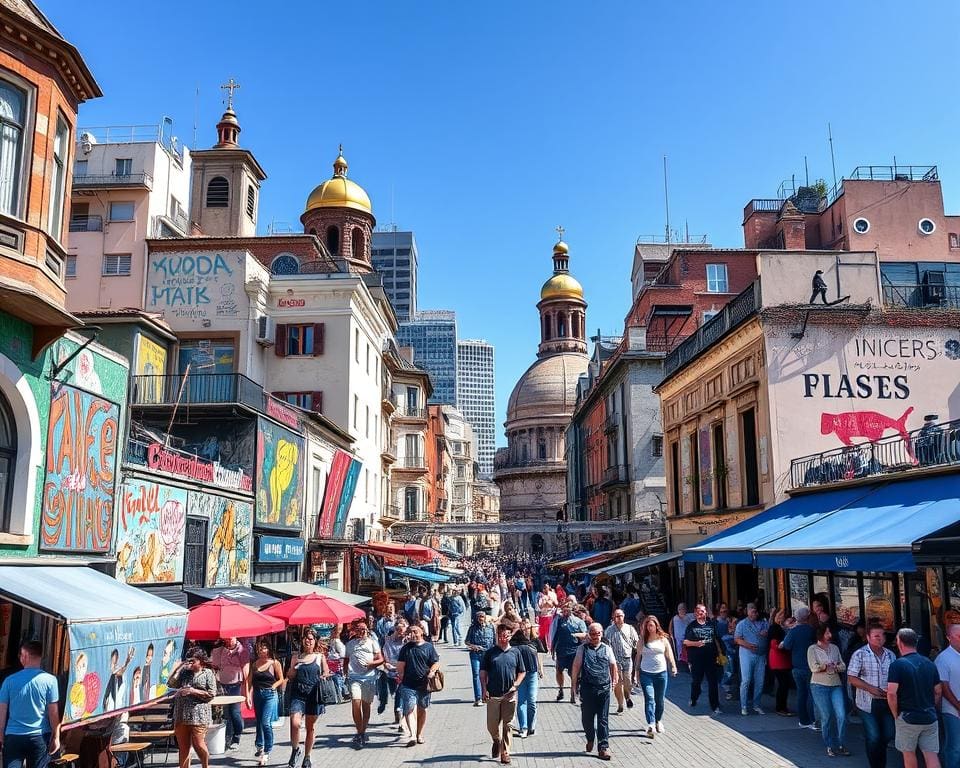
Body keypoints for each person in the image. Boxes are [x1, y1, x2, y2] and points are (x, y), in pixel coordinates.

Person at [887, 627, 942, 768]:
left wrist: (895, 714)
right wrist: (931, 706)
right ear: (915, 642)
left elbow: (892, 693)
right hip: (929, 715)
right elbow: (938, 691)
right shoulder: (929, 663)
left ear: (899, 642)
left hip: (907, 716)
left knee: (909, 754)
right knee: (931, 755)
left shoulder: (897, 665)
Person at [0, 640, 60, 768]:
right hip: (39, 736)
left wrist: (0, 734)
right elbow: (53, 713)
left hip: (13, 737)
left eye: (21, 655)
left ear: (25, 656)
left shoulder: (9, 681)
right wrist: (56, 736)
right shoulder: (50, 681)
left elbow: (2, 711)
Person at [847, 623, 896, 768]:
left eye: (882, 635)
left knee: (888, 734)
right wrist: (869, 688)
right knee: (874, 736)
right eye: (876, 636)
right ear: (868, 637)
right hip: (867, 703)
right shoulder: (860, 654)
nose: (880, 638)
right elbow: (851, 677)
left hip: (887, 701)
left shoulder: (890, 655)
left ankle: (880, 756)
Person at [480, 624, 525, 765]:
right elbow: (483, 673)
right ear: (497, 635)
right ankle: (496, 740)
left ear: (510, 636)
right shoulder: (490, 652)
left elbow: (522, 672)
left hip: (509, 695)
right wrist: (483, 689)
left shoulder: (516, 652)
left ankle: (505, 752)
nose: (503, 638)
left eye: (506, 635)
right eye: (500, 635)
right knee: (491, 725)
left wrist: (516, 685)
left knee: (508, 724)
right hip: (493, 694)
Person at [571, 623, 617, 761]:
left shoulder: (607, 648)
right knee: (587, 718)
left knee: (603, 719)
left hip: (603, 688)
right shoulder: (582, 649)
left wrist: (614, 681)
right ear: (588, 635)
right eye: (593, 633)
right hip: (587, 688)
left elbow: (613, 665)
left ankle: (603, 747)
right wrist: (573, 687)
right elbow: (576, 666)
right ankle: (590, 738)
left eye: (598, 633)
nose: (596, 636)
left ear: (601, 634)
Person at [286, 629, 329, 768]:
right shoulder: (296, 656)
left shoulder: (319, 656)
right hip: (298, 694)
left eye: (310, 638)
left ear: (315, 641)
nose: (307, 641)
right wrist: (293, 665)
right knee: (295, 723)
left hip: (313, 695)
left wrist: (323, 676)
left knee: (310, 727)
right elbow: (290, 676)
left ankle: (307, 756)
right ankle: (295, 749)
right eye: (305, 638)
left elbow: (326, 672)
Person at [167, 648, 216, 768]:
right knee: (183, 747)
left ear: (200, 661)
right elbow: (171, 684)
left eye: (193, 661)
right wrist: (178, 668)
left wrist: (193, 691)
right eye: (188, 661)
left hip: (198, 715)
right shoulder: (184, 672)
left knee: (199, 744)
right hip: (181, 713)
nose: (190, 663)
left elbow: (211, 694)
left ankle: (205, 765)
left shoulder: (207, 673)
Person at [808, 624, 849, 757]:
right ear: (820, 635)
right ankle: (829, 745)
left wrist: (836, 667)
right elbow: (813, 668)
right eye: (827, 633)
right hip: (819, 685)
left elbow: (843, 665)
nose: (830, 635)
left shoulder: (835, 648)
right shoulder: (812, 649)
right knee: (826, 716)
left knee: (841, 715)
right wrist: (826, 666)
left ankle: (841, 743)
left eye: (829, 633)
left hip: (835, 684)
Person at [396, 624, 441, 747]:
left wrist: (432, 671)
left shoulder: (429, 647)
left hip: (424, 685)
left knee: (422, 709)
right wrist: (400, 676)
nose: (413, 634)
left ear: (421, 633)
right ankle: (412, 735)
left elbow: (436, 662)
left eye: (415, 632)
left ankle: (419, 734)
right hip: (408, 685)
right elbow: (400, 666)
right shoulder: (405, 648)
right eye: (410, 632)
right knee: (409, 709)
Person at [344, 619, 384, 749]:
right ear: (355, 631)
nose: (362, 631)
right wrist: (345, 674)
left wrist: (372, 664)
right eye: (359, 629)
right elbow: (346, 660)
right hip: (354, 677)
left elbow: (381, 659)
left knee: (366, 706)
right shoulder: (350, 644)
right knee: (356, 702)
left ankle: (362, 731)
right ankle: (360, 732)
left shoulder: (373, 643)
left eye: (364, 629)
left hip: (369, 678)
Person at [245, 641, 285, 767]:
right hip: (257, 694)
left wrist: (274, 686)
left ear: (268, 649)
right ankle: (259, 745)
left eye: (264, 648)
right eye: (260, 648)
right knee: (259, 722)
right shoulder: (254, 664)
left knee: (266, 722)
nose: (262, 651)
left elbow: (281, 679)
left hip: (270, 695)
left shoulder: (274, 663)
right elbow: (249, 681)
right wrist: (247, 696)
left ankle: (267, 750)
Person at [637, 615, 678, 737]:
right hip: (646, 674)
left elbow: (669, 654)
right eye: (647, 626)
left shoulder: (663, 639)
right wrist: (636, 672)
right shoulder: (642, 640)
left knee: (659, 700)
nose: (649, 628)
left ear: (656, 626)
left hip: (661, 673)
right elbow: (638, 657)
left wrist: (673, 666)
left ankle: (658, 720)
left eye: (651, 625)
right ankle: (650, 723)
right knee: (649, 698)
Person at [210, 636, 249, 751]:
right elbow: (215, 665)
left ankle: (237, 734)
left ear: (235, 637)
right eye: (226, 639)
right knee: (227, 714)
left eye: (230, 639)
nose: (228, 641)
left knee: (235, 711)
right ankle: (228, 738)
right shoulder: (220, 650)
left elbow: (246, 673)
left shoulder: (242, 651)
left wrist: (247, 693)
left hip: (236, 684)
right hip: (223, 684)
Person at [783, 606, 818, 730]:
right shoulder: (811, 630)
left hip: (797, 665)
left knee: (801, 694)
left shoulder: (793, 631)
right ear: (807, 617)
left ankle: (804, 720)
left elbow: (786, 646)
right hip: (810, 665)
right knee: (811, 694)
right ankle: (813, 720)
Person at [683, 603, 721, 713]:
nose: (701, 613)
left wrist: (719, 653)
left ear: (706, 613)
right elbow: (685, 642)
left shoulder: (711, 624)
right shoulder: (691, 626)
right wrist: (696, 643)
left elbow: (717, 639)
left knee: (713, 682)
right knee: (696, 681)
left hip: (711, 658)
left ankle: (715, 705)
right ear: (695, 613)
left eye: (703, 611)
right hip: (696, 659)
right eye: (699, 611)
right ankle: (694, 697)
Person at [510, 619, 543, 738]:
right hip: (520, 674)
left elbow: (539, 655)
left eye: (527, 626)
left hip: (532, 673)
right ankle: (523, 727)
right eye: (522, 627)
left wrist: (541, 669)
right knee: (522, 701)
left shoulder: (534, 641)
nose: (525, 629)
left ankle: (531, 726)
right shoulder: (514, 643)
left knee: (532, 701)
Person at [735, 603, 769, 715]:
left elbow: (769, 632)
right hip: (746, 654)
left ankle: (757, 705)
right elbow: (737, 639)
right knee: (746, 680)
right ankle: (743, 706)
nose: (755, 613)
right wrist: (748, 645)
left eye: (756, 611)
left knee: (760, 680)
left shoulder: (763, 623)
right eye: (752, 611)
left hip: (761, 655)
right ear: (747, 611)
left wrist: (766, 633)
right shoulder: (742, 624)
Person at [551, 600, 587, 702]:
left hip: (574, 651)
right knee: (559, 670)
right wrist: (553, 649)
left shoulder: (579, 622)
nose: (565, 612)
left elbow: (585, 634)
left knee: (573, 673)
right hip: (561, 650)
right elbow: (555, 635)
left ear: (572, 610)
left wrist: (576, 635)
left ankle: (573, 693)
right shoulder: (560, 621)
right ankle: (561, 689)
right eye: (564, 610)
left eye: (567, 610)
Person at [603, 609, 638, 714]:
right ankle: (620, 704)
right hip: (615, 660)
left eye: (620, 616)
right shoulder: (609, 630)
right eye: (616, 616)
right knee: (618, 683)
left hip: (627, 659)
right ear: (613, 617)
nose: (619, 618)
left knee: (627, 681)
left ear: (624, 616)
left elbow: (636, 642)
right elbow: (606, 645)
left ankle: (627, 697)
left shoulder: (630, 628)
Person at [936, 622, 960, 768]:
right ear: (948, 637)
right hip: (952, 710)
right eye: (958, 636)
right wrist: (958, 706)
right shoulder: (943, 658)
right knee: (955, 747)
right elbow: (943, 687)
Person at [379, 617, 408, 724]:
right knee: (394, 692)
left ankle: (400, 715)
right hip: (390, 671)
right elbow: (384, 654)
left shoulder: (408, 641)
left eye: (403, 628)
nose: (400, 632)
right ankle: (395, 710)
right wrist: (386, 663)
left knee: (401, 692)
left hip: (405, 672)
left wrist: (407, 640)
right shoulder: (388, 640)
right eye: (398, 629)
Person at [767, 609, 794, 717]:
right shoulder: (774, 628)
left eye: (783, 615)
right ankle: (780, 707)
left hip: (785, 658)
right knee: (783, 684)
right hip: (778, 659)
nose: (781, 617)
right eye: (779, 615)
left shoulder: (784, 628)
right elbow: (774, 644)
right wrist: (784, 645)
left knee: (785, 684)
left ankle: (783, 706)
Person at [466, 612, 496, 706]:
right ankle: (478, 698)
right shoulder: (472, 628)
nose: (481, 619)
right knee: (476, 674)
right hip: (475, 654)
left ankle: (486, 695)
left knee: (488, 675)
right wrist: (473, 646)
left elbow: (495, 641)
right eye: (479, 617)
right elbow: (467, 641)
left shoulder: (491, 627)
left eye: (482, 617)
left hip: (488, 654)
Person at [671, 603, 694, 669]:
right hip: (679, 638)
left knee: (688, 652)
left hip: (688, 638)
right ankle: (683, 664)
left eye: (683, 609)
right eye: (680, 609)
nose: (681, 610)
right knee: (681, 652)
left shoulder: (688, 616)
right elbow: (671, 626)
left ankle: (689, 665)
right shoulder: (675, 618)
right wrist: (671, 634)